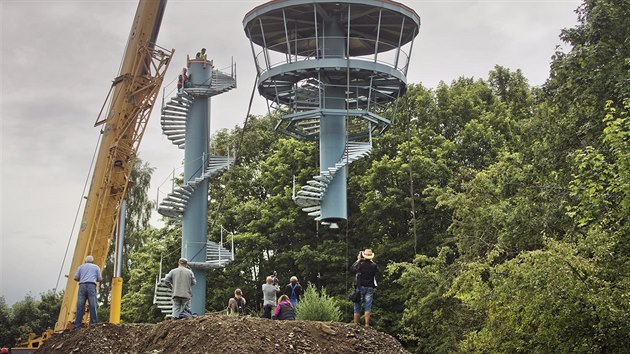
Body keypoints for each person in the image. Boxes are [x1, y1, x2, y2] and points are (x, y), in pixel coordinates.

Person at [351, 248, 378, 326]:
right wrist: (371, 260)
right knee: (368, 306)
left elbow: (352, 268)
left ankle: (356, 324)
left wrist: (358, 260)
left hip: (360, 286)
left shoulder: (360, 264)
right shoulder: (374, 265)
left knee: (357, 305)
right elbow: (377, 270)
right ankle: (366, 324)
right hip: (370, 287)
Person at [74, 255, 102, 329]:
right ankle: (93, 324)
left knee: (80, 306)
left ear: (85, 261)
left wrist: (83, 277)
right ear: (93, 261)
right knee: (93, 305)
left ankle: (77, 326)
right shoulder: (96, 267)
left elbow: (76, 278)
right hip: (91, 286)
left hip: (82, 286)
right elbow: (99, 278)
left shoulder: (80, 267)